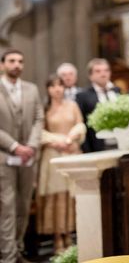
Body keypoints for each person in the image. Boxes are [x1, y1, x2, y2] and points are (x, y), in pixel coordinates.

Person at [0, 49, 44, 263]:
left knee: (23, 206)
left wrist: (32, 145)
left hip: (27, 157)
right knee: (7, 208)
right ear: (2, 65)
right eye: (11, 61)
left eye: (20, 61)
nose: (16, 64)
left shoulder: (31, 89)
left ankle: (17, 252)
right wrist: (15, 146)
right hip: (3, 158)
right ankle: (6, 258)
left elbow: (38, 118)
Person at [37, 74, 85, 254]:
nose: (57, 89)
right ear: (48, 89)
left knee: (71, 196)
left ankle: (69, 236)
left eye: (60, 85)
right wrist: (57, 141)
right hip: (53, 155)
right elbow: (39, 132)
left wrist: (72, 138)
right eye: (53, 86)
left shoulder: (72, 106)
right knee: (56, 197)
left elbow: (81, 125)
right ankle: (57, 238)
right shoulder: (44, 108)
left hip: (72, 152)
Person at [76, 58, 121, 153]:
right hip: (99, 146)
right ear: (90, 76)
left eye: (106, 70)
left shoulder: (117, 91)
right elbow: (82, 124)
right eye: (98, 71)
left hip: (121, 141)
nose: (103, 74)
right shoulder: (83, 96)